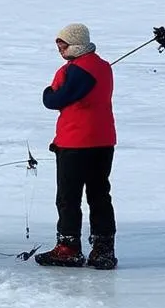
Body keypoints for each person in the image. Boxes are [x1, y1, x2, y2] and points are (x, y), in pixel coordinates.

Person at [35, 23, 118, 270]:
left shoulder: (75, 70)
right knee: (99, 195)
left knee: (68, 197)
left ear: (76, 44)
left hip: (76, 142)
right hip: (103, 141)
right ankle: (103, 249)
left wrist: (49, 91)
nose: (60, 48)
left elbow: (54, 100)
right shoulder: (103, 67)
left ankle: (68, 248)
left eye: (64, 44)